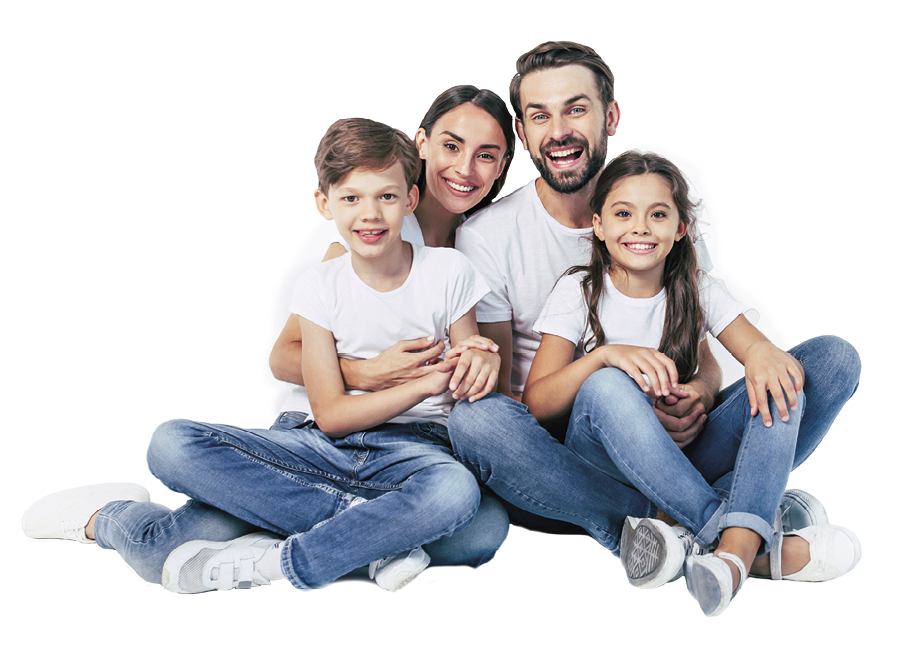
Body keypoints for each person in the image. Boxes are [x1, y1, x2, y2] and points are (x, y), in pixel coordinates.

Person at [22, 117, 506, 595]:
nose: (371, 213)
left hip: (411, 452)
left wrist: (480, 363)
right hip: (314, 443)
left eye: (386, 196)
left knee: (475, 521)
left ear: (409, 198)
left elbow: (466, 368)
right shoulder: (325, 276)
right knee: (169, 450)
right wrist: (411, 381)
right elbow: (327, 409)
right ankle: (109, 518)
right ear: (325, 203)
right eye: (352, 198)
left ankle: (281, 554)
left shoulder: (451, 266)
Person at [447, 40, 860, 589]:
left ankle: (675, 526)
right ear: (522, 132)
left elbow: (703, 334)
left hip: (679, 441)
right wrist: (608, 372)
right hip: (570, 460)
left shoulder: (658, 196)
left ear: (609, 115)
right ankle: (732, 531)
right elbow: (510, 397)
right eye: (541, 115)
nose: (560, 129)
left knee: (829, 361)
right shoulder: (490, 237)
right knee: (478, 419)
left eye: (576, 108)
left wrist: (705, 391)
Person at [524, 151, 861, 616]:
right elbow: (537, 403)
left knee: (823, 362)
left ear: (680, 228)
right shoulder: (580, 291)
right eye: (623, 214)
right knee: (606, 386)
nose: (640, 228)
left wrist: (715, 383)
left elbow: (761, 357)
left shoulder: (697, 288)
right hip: (607, 462)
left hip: (685, 457)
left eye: (658, 214)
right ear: (598, 225)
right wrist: (604, 357)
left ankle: (721, 548)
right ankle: (744, 541)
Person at [268, 84, 515, 394]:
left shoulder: (481, 245)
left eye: (486, 155)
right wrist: (363, 372)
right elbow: (282, 357)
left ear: (501, 165)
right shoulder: (368, 232)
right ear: (422, 143)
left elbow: (490, 368)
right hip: (328, 420)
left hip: (424, 426)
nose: (465, 169)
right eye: (451, 146)